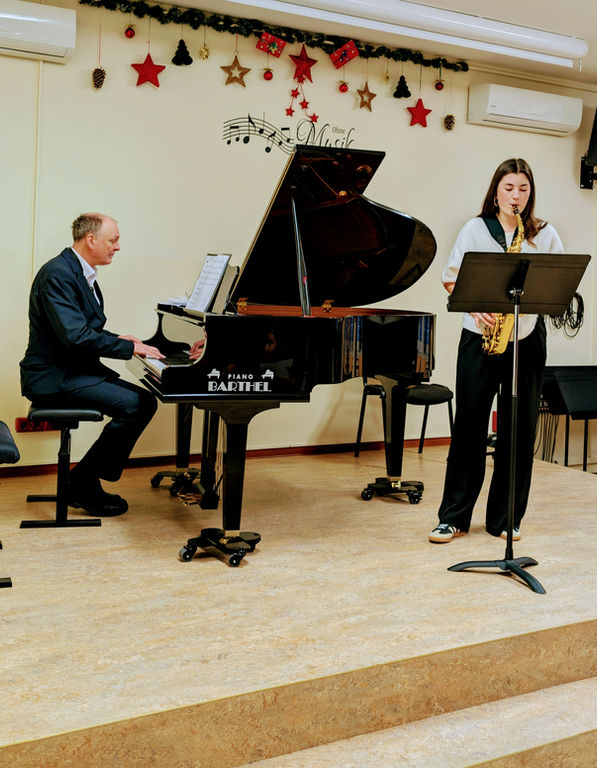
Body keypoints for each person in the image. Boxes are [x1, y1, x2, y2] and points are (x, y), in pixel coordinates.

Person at [429, 158, 564, 544]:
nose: (515, 195)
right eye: (509, 188)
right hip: (481, 336)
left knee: (519, 429)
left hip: (527, 337)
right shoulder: (475, 229)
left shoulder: (544, 234)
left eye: (523, 188)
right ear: (496, 192)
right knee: (469, 425)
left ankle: (505, 519)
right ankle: (453, 517)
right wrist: (476, 307)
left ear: (530, 193)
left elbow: (557, 283)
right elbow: (451, 279)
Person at [20, 213, 164, 517]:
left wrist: (118, 339)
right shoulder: (58, 274)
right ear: (91, 240)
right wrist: (129, 348)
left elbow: (82, 330)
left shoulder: (78, 272)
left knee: (145, 401)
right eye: (113, 240)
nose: (118, 247)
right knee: (136, 405)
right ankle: (83, 482)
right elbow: (75, 337)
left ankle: (81, 479)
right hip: (54, 377)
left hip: (72, 371)